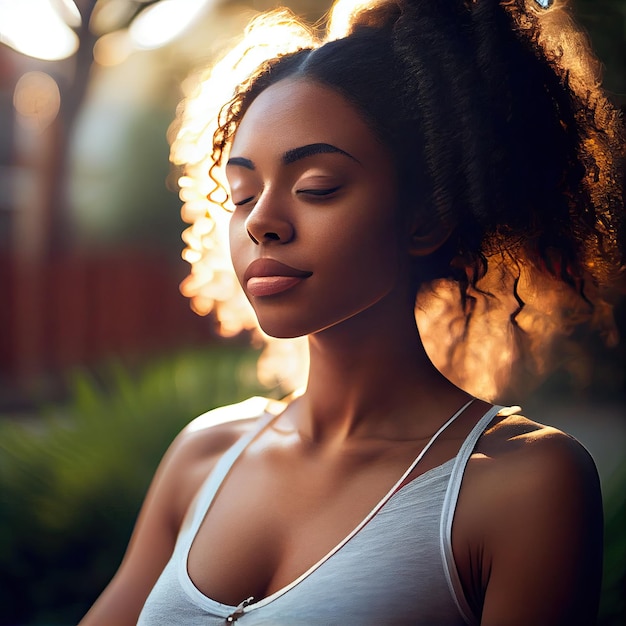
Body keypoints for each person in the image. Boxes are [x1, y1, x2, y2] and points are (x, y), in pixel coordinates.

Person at [80, 0, 624, 623]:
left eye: (317, 188)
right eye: (242, 194)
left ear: (427, 217)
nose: (261, 222)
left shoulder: (521, 485)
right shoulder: (203, 455)